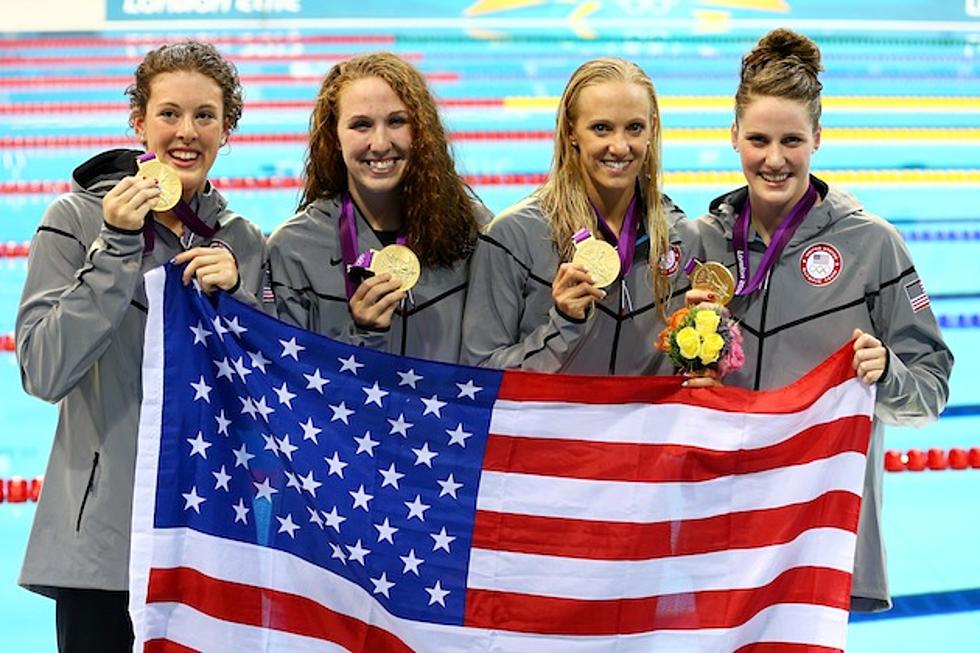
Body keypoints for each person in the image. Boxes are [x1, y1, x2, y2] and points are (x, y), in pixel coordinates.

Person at [15, 41, 266, 651]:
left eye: (205, 115)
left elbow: (267, 396)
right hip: (104, 547)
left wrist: (245, 303)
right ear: (140, 124)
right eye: (169, 114)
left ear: (226, 129)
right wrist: (118, 244)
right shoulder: (75, 220)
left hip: (208, 540)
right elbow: (43, 370)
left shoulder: (242, 242)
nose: (187, 132)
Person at [690, 28, 953, 611]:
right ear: (733, 135)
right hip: (714, 524)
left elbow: (931, 391)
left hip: (816, 537)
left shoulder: (872, 245)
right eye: (758, 139)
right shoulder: (697, 243)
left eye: (792, 140)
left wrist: (888, 375)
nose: (774, 159)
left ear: (818, 138)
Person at [461, 57, 697, 375]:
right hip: (551, 425)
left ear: (652, 129)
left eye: (634, 128)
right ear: (572, 131)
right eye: (601, 128)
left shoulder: (679, 235)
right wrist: (562, 324)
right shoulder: (513, 236)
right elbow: (480, 372)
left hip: (643, 425)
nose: (619, 146)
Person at [266, 52, 488, 363]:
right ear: (335, 138)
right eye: (361, 125)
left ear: (421, 132)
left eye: (397, 121)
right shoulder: (294, 249)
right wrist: (362, 334)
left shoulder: (474, 233)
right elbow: (289, 380)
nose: (380, 143)